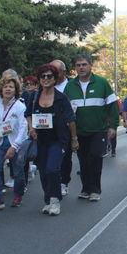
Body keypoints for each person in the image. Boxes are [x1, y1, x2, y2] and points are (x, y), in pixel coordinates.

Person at [64, 54, 119, 202]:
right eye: (78, 65)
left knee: (95, 157)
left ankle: (95, 189)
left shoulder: (102, 83)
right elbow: (65, 110)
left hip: (98, 130)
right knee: (83, 160)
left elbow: (112, 106)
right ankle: (85, 188)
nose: (81, 68)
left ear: (90, 66)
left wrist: (113, 126)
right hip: (79, 131)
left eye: (84, 64)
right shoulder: (70, 86)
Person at [26, 64, 78, 216]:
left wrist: (74, 139)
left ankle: (55, 200)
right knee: (43, 171)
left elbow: (71, 120)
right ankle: (48, 200)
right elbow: (28, 114)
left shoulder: (61, 98)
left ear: (55, 79)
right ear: (39, 79)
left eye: (49, 76)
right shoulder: (34, 96)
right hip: (40, 140)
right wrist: (31, 128)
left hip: (58, 139)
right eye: (43, 76)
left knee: (52, 169)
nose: (46, 79)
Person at [0, 76, 28, 211]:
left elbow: (23, 128)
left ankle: (18, 194)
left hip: (15, 144)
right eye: (5, 86)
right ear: (1, 89)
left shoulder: (20, 106)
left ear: (16, 90)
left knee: (18, 172)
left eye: (11, 87)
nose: (8, 89)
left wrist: (14, 147)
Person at [50, 59, 72, 196]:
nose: (52, 74)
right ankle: (52, 183)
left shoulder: (72, 85)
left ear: (63, 71)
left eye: (55, 70)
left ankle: (64, 182)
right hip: (48, 128)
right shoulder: (46, 84)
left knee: (65, 157)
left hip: (66, 128)